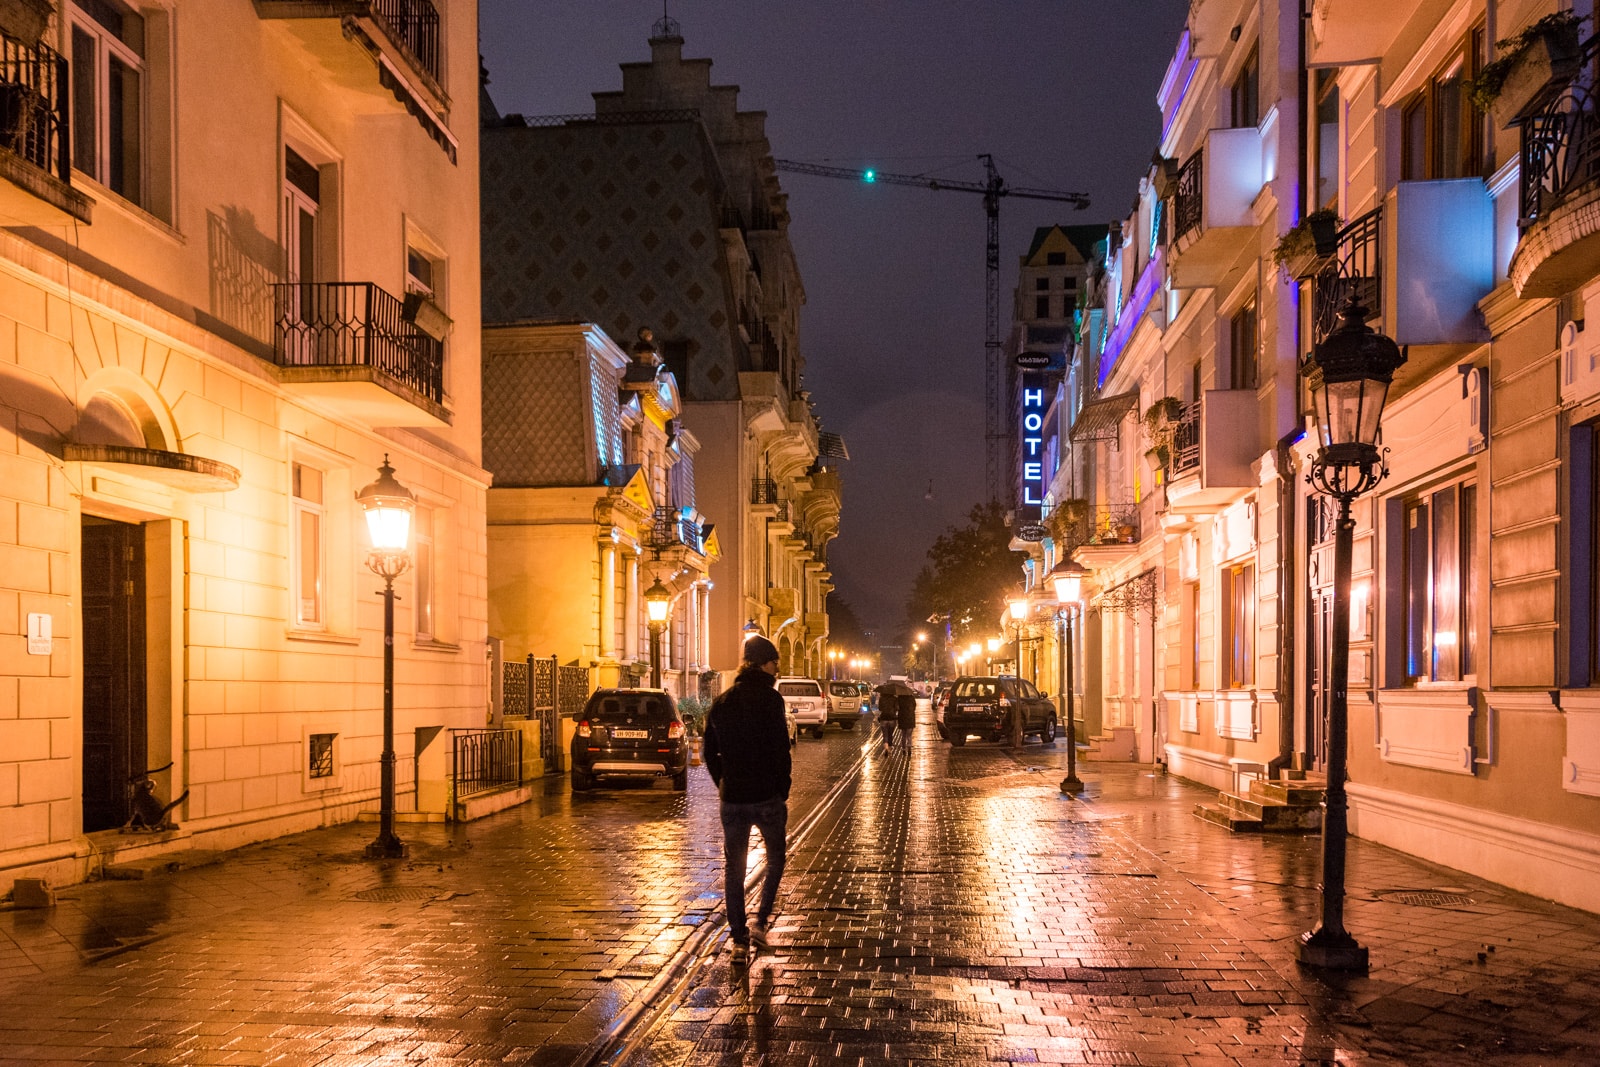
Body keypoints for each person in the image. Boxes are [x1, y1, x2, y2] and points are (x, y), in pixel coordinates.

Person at [702, 635, 792, 966]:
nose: (777, 668)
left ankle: (738, 939)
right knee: (776, 857)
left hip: (734, 798)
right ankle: (760, 921)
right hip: (767, 795)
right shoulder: (771, 700)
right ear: (763, 664)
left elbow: (709, 751)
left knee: (734, 869)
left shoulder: (723, 701)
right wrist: (782, 788)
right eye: (774, 662)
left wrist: (722, 782)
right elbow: (782, 749)